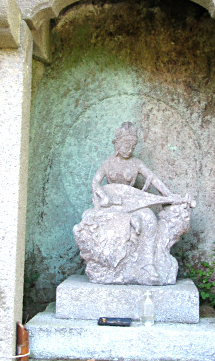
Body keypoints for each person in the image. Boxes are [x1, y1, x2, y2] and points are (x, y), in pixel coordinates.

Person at [73, 122, 194, 285]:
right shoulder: (108, 163)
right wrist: (103, 195)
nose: (129, 150)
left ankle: (148, 264)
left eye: (132, 147)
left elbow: (153, 179)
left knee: (149, 218)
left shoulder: (136, 163)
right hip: (112, 205)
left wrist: (169, 195)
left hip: (132, 203)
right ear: (117, 144)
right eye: (125, 146)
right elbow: (95, 182)